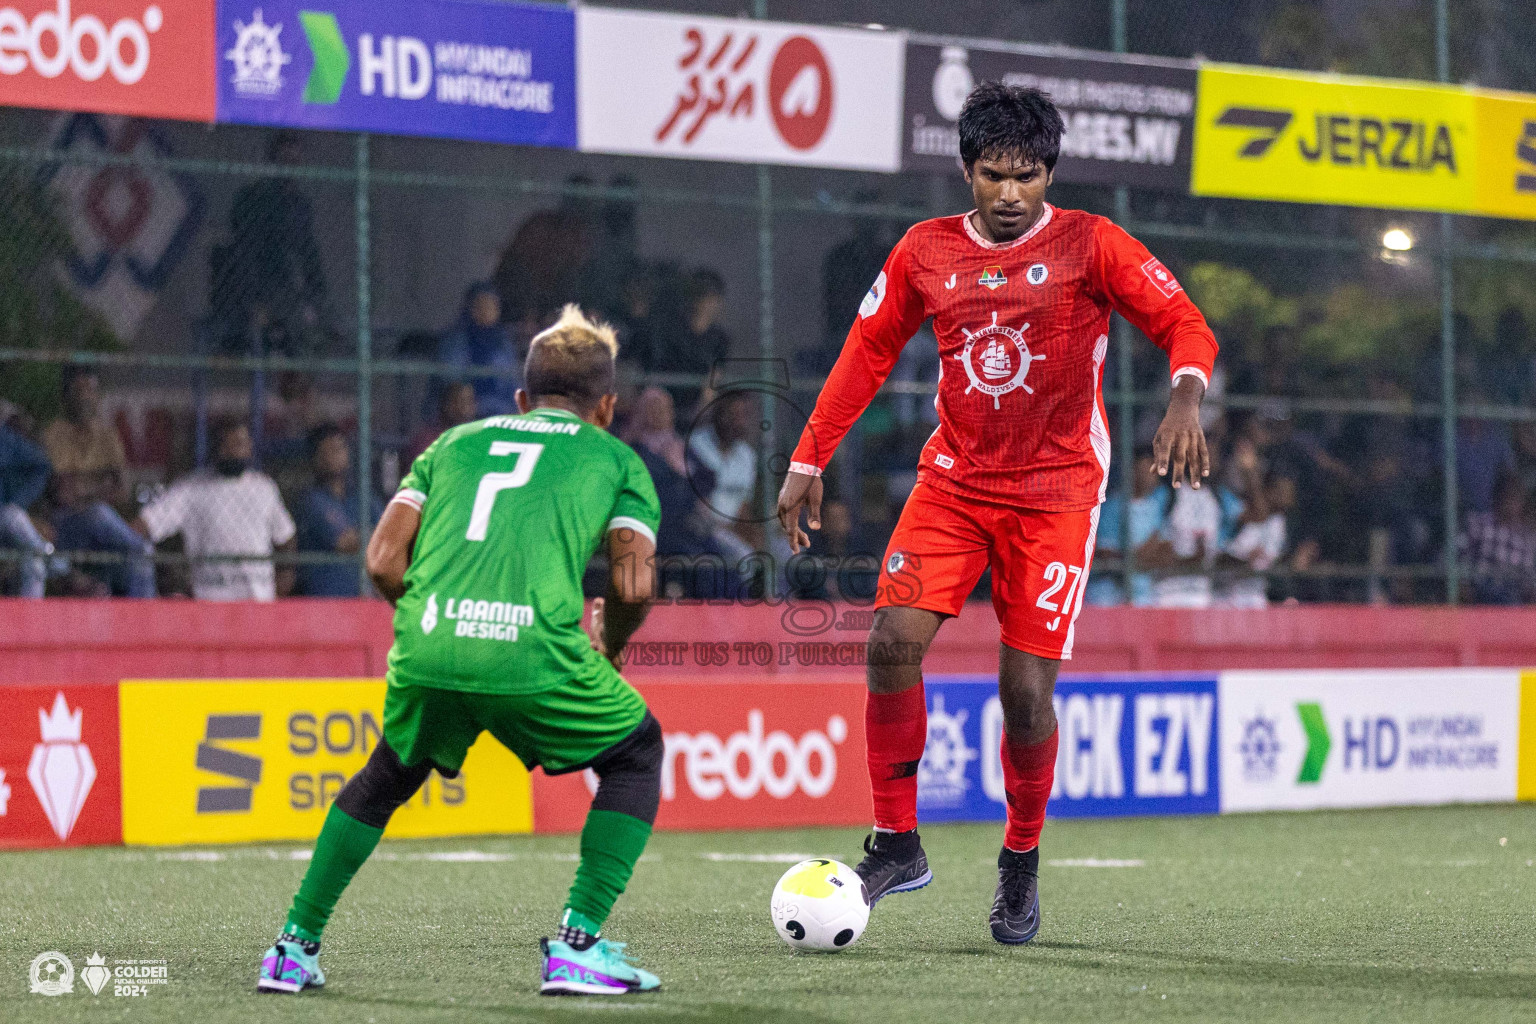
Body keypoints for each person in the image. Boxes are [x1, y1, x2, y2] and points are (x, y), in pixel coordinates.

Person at [775, 84, 1218, 945]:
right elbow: (866, 352)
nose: (1012, 194)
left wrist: (1186, 396)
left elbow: (1182, 320)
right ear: (966, 172)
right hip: (956, 483)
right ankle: (897, 842)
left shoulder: (1092, 243)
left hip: (1057, 493)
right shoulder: (924, 251)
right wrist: (807, 456)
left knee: (1024, 694)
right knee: (891, 640)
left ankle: (1020, 860)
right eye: (993, 175)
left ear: (1049, 171)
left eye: (1029, 175)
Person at [256, 304, 665, 997]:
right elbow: (631, 582)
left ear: (520, 398)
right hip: (533, 649)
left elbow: (384, 563)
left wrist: (439, 624)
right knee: (637, 750)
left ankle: (291, 948)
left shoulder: (450, 444)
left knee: (387, 774)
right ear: (606, 406)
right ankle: (578, 944)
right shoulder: (618, 459)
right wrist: (611, 645)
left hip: (430, 641)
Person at [135, 420, 297, 601]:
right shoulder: (191, 488)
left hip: (258, 597)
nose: (234, 451)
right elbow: (147, 523)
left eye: (240, 444)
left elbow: (286, 536)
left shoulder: (263, 487)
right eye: (228, 445)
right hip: (210, 598)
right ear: (217, 448)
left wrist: (286, 575)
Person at [42, 367, 156, 597]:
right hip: (66, 526)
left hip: (104, 528)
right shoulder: (53, 434)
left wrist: (83, 486)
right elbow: (63, 493)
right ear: (67, 396)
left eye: (91, 390)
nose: (86, 397)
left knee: (139, 553)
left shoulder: (108, 436)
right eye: (79, 390)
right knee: (101, 515)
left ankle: (143, 626)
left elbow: (122, 491)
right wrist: (101, 483)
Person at [293, 425, 380, 597]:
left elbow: (392, 535)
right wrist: (374, 535)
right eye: (327, 451)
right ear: (315, 458)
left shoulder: (362, 496)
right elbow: (346, 542)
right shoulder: (311, 500)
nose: (335, 456)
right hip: (325, 601)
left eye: (339, 449)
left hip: (364, 599)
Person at [438, 282, 520, 416]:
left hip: (501, 411)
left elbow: (512, 382)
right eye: (481, 305)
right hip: (464, 412)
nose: (486, 311)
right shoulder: (457, 340)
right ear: (470, 308)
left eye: (491, 306)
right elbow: (452, 381)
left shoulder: (503, 342)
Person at [1458, 473, 1536, 605]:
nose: (1511, 503)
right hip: (1479, 592)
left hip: (1511, 599)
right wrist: (1463, 585)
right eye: (1507, 497)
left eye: (1516, 498)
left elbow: (1528, 579)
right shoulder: (1478, 524)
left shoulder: (1525, 538)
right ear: (1497, 497)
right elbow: (1458, 557)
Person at [0, 417, 53, 597]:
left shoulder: (3, 437)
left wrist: (18, 502)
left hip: (3, 515)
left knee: (15, 518)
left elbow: (41, 466)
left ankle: (31, 618)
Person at [405, 380, 478, 467]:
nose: (465, 408)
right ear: (446, 404)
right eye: (459, 401)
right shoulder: (427, 440)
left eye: (469, 401)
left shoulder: (480, 439)